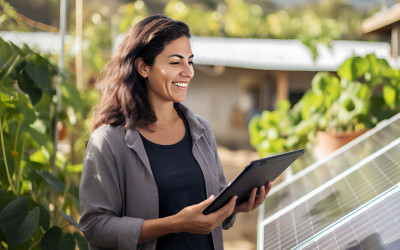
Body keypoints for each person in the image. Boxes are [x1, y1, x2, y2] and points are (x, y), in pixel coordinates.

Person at [79, 14, 272, 250]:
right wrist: (174, 224)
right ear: (143, 67)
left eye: (190, 61)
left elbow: (214, 203)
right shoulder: (108, 141)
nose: (188, 72)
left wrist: (236, 204)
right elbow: (95, 227)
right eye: (175, 62)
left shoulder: (201, 130)